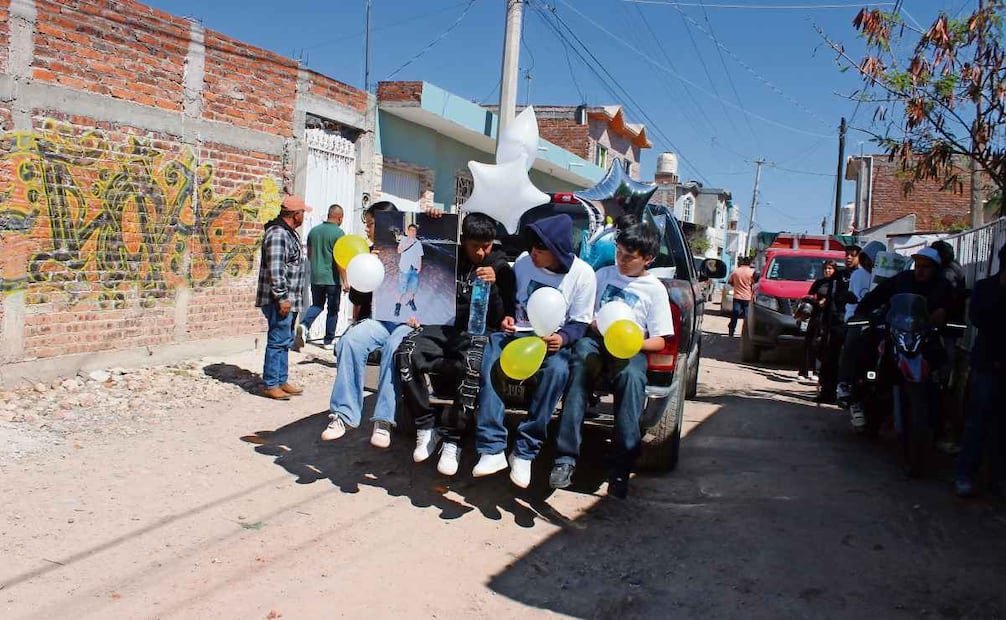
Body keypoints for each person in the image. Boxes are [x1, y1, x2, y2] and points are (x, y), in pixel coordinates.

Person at [551, 217, 673, 498]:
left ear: (648, 259)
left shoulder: (654, 290)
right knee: (579, 363)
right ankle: (565, 459)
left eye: (629, 257)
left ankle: (621, 466)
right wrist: (596, 325)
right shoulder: (603, 275)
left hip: (631, 349)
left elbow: (660, 340)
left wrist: (633, 342)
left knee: (632, 379)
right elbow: (585, 316)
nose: (621, 260)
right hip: (596, 343)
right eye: (618, 252)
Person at [472, 213, 596, 489]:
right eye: (531, 247)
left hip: (550, 342)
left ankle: (526, 451)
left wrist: (563, 338)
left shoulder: (582, 275)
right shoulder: (525, 263)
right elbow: (511, 299)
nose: (532, 253)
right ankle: (491, 447)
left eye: (539, 249)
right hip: (517, 336)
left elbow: (581, 321)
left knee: (558, 371)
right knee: (492, 358)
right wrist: (506, 317)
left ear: (556, 251)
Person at [399, 213, 516, 476]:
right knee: (406, 352)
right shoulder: (450, 256)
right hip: (441, 325)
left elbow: (502, 317)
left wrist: (494, 286)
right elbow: (423, 240)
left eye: (487, 245)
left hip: (478, 331)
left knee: (473, 364)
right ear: (463, 241)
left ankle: (454, 438)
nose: (482, 252)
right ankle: (426, 424)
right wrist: (433, 219)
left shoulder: (501, 267)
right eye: (475, 245)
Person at [321, 206, 414, 448]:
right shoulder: (369, 254)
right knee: (349, 342)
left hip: (408, 322)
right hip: (379, 320)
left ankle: (383, 420)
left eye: (371, 223)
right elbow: (357, 301)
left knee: (395, 348)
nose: (366, 228)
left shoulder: (413, 248)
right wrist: (368, 271)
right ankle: (344, 414)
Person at [955, 243, 1006, 497]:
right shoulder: (986, 288)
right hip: (987, 365)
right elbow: (978, 319)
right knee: (977, 423)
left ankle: (997, 480)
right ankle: (965, 475)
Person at [255, 195, 312, 400]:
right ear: (295, 214)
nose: (303, 216)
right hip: (279, 299)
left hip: (290, 299)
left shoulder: (289, 233)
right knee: (277, 340)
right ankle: (271, 383)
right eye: (302, 213)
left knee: (285, 340)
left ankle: (281, 379)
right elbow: (276, 269)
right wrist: (282, 298)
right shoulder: (278, 234)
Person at [836, 240, 886, 426]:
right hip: (858, 319)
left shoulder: (886, 277)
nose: (869, 263)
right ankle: (845, 384)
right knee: (851, 344)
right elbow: (855, 299)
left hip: (879, 323)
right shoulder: (858, 275)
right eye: (866, 258)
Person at [294, 204, 345, 351]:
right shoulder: (339, 233)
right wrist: (345, 280)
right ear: (339, 217)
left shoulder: (313, 231)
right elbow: (339, 259)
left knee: (317, 305)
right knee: (333, 309)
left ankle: (304, 325)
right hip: (332, 279)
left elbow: (309, 255)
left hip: (316, 277)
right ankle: (328, 341)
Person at [816, 244, 860, 403]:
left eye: (852, 255)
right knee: (830, 358)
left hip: (855, 323)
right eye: (847, 254)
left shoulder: (862, 275)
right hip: (835, 322)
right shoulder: (838, 276)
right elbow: (829, 297)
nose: (848, 258)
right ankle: (827, 392)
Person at [799, 260, 836, 379]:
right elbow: (810, 295)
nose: (827, 271)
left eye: (830, 268)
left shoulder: (836, 283)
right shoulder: (819, 282)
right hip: (816, 315)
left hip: (828, 317)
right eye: (825, 268)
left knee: (821, 344)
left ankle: (817, 371)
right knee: (808, 342)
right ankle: (803, 372)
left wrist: (827, 301)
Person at [395, 224, 424, 317]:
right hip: (404, 268)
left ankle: (411, 301)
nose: (412, 232)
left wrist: (419, 267)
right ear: (408, 231)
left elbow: (420, 256)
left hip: (414, 268)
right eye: (410, 230)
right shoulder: (403, 240)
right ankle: (398, 305)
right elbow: (399, 251)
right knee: (401, 289)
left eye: (414, 230)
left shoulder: (418, 243)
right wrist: (409, 243)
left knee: (413, 288)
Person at [727, 256, 755, 338]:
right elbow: (754, 284)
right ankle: (745, 333)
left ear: (742, 262)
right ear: (749, 263)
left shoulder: (736, 271)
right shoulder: (752, 272)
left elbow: (730, 282)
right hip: (747, 297)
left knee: (735, 314)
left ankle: (731, 330)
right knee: (746, 316)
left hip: (737, 296)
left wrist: (737, 285)